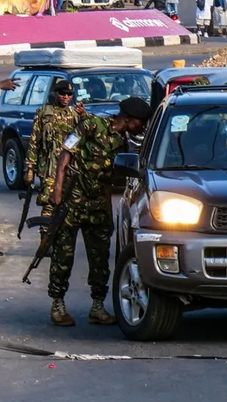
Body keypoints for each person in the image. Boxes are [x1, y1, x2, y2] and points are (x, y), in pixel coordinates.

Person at [47, 97, 153, 327]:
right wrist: (56, 188)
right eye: (140, 122)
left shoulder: (123, 142)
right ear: (129, 119)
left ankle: (97, 306)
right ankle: (58, 304)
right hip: (73, 200)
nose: (142, 127)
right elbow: (66, 153)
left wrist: (109, 210)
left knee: (100, 258)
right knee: (63, 255)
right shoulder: (92, 124)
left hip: (98, 205)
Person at [25, 80, 86, 254]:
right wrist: (30, 168)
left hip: (70, 168)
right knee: (49, 203)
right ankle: (45, 242)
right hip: (50, 167)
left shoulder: (76, 114)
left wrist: (84, 116)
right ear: (55, 93)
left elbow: (87, 135)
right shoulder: (44, 113)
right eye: (62, 94)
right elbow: (34, 142)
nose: (66, 97)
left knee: (69, 206)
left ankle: (62, 243)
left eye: (69, 94)